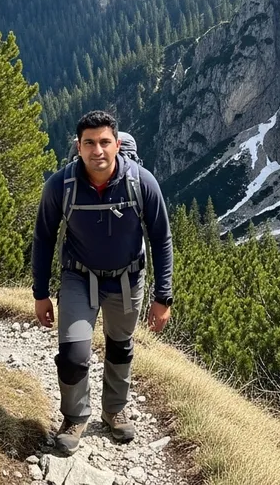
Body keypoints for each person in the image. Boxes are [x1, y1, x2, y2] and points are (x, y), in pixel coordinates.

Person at [32, 109, 174, 455]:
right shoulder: (60, 186)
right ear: (78, 147)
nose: (98, 150)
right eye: (89, 143)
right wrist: (40, 294)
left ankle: (114, 410)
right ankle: (75, 417)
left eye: (105, 142)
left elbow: (161, 239)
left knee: (120, 345)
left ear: (117, 143)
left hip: (127, 279)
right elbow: (44, 238)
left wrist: (163, 297)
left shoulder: (141, 182)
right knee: (73, 353)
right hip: (78, 277)